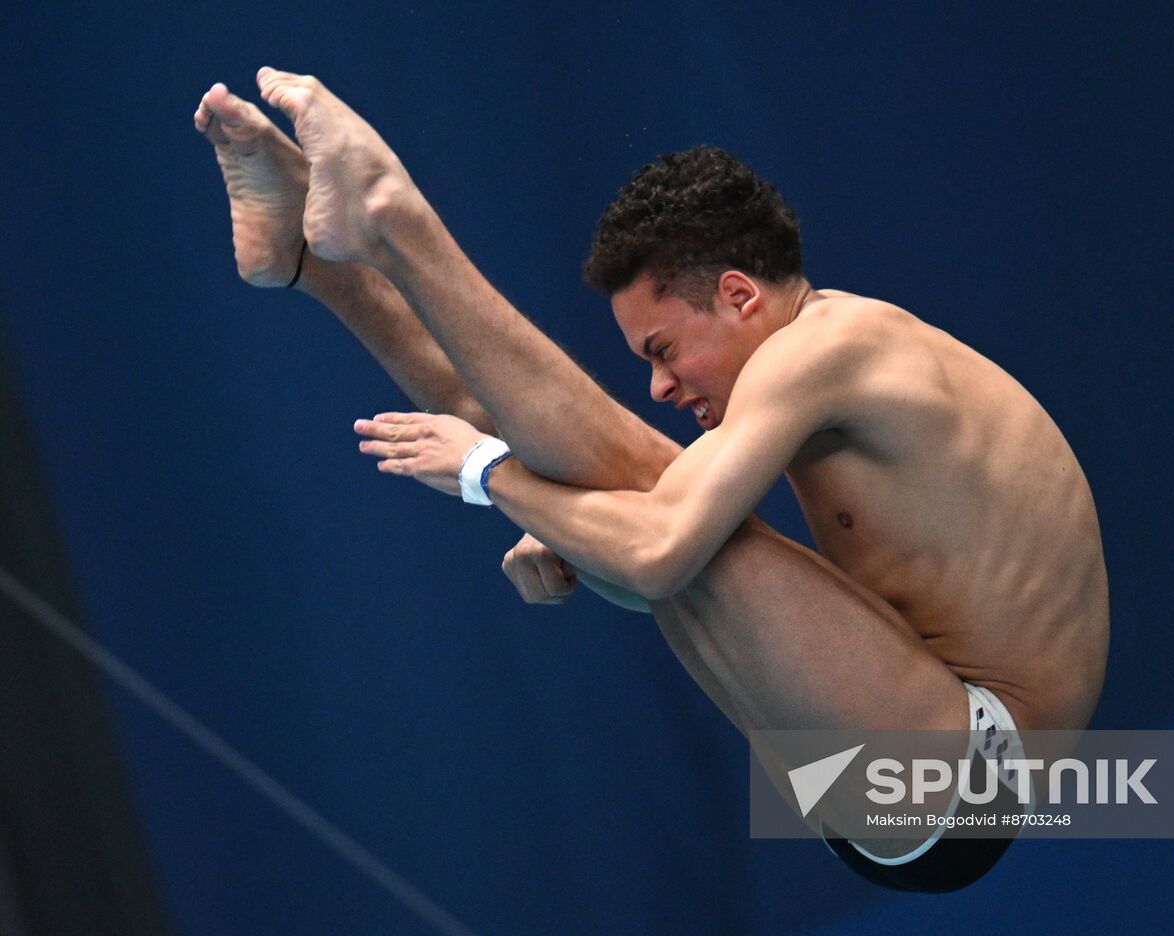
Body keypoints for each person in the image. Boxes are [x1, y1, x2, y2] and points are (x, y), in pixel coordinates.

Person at [194, 68, 1109, 891]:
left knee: (626, 491)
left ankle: (388, 220)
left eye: (665, 350)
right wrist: (557, 515)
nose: (662, 384)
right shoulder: (807, 363)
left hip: (972, 774)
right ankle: (323, 263)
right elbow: (650, 550)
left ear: (743, 295)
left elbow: (660, 556)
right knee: (613, 482)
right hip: (901, 761)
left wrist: (490, 478)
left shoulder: (832, 348)